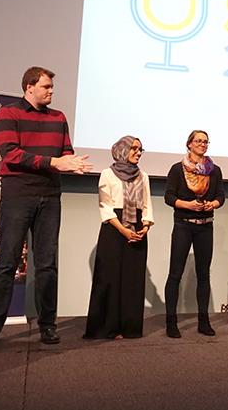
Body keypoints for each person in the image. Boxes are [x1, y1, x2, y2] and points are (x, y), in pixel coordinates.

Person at [0, 66, 91, 350]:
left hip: (50, 196)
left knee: (47, 264)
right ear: (29, 87)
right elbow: (10, 153)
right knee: (6, 263)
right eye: (46, 87)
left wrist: (71, 162)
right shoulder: (9, 114)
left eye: (52, 87)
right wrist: (54, 163)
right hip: (18, 195)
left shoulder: (58, 117)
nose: (51, 91)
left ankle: (47, 325)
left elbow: (65, 151)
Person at [84, 135, 154, 340]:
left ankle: (129, 327)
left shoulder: (144, 176)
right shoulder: (107, 174)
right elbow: (105, 206)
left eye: (140, 150)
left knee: (133, 279)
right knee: (110, 278)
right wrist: (123, 230)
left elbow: (147, 204)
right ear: (122, 149)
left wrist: (146, 226)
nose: (138, 153)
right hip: (114, 228)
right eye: (134, 149)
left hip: (138, 227)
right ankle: (107, 328)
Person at [164, 130, 225, 338]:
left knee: (203, 274)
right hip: (183, 224)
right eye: (198, 141)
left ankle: (203, 321)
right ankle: (171, 322)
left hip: (205, 226)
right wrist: (188, 205)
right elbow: (169, 197)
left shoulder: (214, 170)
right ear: (189, 144)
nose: (202, 144)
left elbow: (221, 197)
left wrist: (212, 204)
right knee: (175, 274)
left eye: (206, 141)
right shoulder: (177, 169)